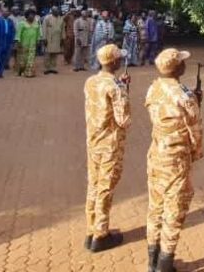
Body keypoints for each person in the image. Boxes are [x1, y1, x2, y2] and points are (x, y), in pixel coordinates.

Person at [145, 48, 203, 272]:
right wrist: (196, 153)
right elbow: (195, 129)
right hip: (176, 159)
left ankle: (152, 260)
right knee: (174, 209)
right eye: (182, 62)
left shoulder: (153, 88)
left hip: (156, 153)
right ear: (177, 68)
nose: (184, 64)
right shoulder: (184, 95)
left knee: (155, 207)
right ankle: (165, 263)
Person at [84, 44, 132, 253]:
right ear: (113, 62)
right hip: (111, 144)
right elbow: (124, 120)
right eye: (119, 58)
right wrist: (124, 91)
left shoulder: (91, 82)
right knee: (106, 187)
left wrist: (121, 86)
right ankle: (101, 235)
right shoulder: (116, 87)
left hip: (94, 141)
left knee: (94, 184)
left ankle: (91, 228)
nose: (121, 61)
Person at [15, 9, 41, 78]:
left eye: (33, 15)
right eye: (30, 15)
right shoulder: (22, 23)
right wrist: (18, 41)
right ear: (27, 16)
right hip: (23, 44)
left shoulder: (36, 24)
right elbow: (18, 33)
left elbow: (38, 33)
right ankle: (21, 70)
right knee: (23, 59)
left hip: (33, 44)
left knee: (31, 58)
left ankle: (29, 73)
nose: (32, 16)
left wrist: (38, 40)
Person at [42, 7, 64, 75]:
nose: (57, 12)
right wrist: (44, 38)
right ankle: (47, 69)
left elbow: (63, 29)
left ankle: (53, 68)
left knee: (55, 54)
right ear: (52, 11)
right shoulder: (47, 18)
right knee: (47, 54)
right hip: (49, 38)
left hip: (57, 38)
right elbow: (44, 28)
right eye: (55, 10)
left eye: (58, 10)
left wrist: (62, 38)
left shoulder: (61, 19)